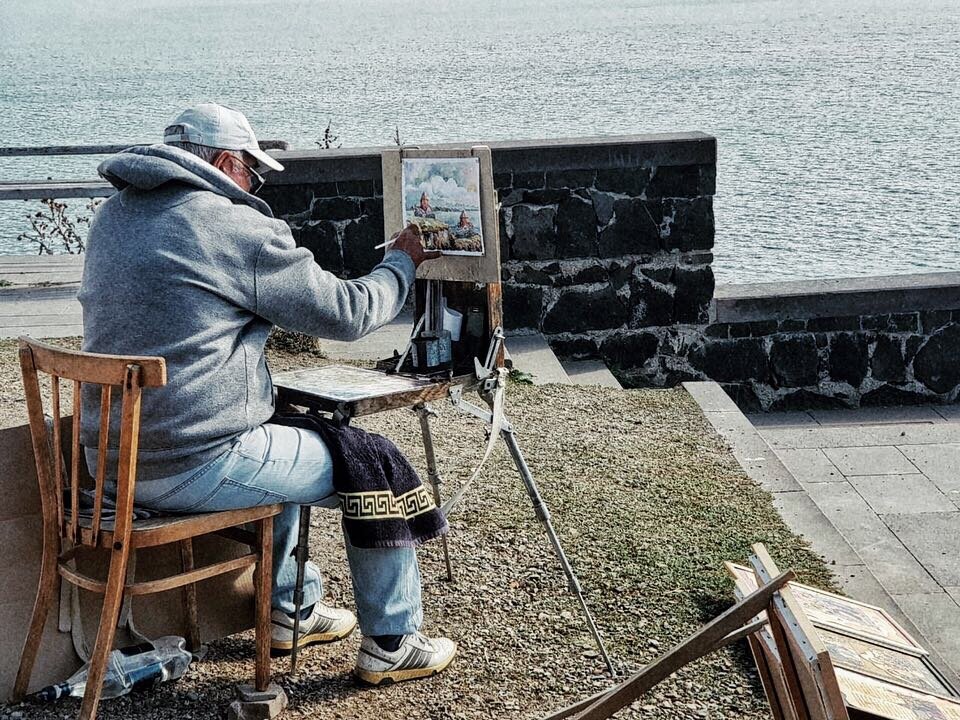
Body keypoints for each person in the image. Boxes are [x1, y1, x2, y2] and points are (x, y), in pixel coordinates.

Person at [77, 103, 456, 685]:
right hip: (191, 463)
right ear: (227, 163)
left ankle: (291, 608)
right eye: (251, 173)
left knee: (296, 428)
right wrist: (403, 261)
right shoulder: (229, 225)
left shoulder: (113, 217)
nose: (252, 186)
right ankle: (393, 639)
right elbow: (349, 313)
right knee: (373, 459)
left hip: (109, 461)